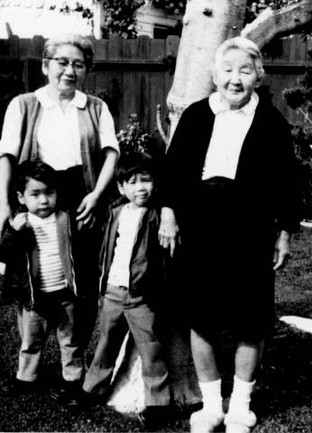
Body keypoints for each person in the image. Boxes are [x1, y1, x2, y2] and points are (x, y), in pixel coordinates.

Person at [159, 36, 300, 433]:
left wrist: (284, 232)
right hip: (199, 227)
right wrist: (169, 215)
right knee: (200, 318)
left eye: (245, 70)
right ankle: (210, 407)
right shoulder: (196, 116)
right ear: (214, 74)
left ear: (258, 75)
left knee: (249, 320)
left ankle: (240, 406)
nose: (235, 79)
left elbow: (288, 184)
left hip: (250, 229)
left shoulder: (271, 122)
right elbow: (172, 171)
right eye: (227, 70)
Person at [0, 33, 120, 388]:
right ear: (46, 65)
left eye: (78, 64)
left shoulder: (95, 107)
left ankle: (74, 363)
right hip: (36, 201)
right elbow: (6, 156)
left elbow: (111, 153)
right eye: (62, 62)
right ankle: (29, 365)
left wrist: (97, 195)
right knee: (33, 279)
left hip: (80, 201)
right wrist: (5, 203)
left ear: (86, 69)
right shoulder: (24, 104)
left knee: (79, 284)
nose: (70, 70)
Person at [81, 153, 170, 429]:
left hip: (142, 296)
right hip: (113, 292)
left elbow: (167, 259)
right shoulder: (116, 214)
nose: (140, 187)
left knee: (151, 349)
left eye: (147, 180)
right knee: (106, 342)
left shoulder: (158, 217)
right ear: (121, 188)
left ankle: (157, 404)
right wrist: (103, 284)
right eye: (132, 182)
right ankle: (91, 390)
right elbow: (107, 250)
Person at [0, 160, 84, 399]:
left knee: (69, 338)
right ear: (21, 197)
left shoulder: (65, 219)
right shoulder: (20, 223)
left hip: (65, 292)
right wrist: (13, 231)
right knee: (31, 339)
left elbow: (80, 250)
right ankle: (26, 377)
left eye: (49, 193)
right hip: (36, 297)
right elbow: (4, 252)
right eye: (35, 194)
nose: (44, 200)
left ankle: (73, 378)